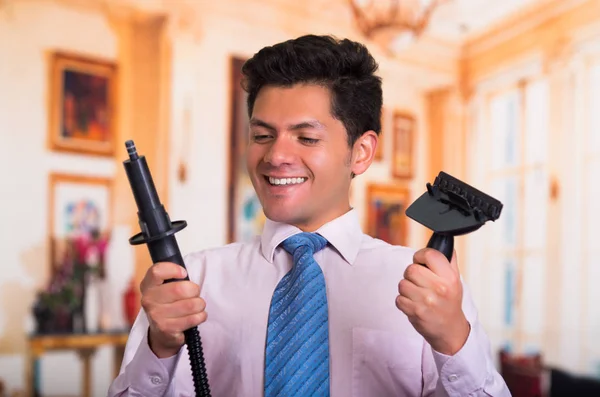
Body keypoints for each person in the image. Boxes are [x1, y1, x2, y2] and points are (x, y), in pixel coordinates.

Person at [108, 34, 511, 397]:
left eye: (306, 137)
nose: (275, 156)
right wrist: (160, 349)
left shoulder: (428, 289)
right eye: (262, 135)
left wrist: (453, 340)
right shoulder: (191, 281)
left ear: (361, 152)